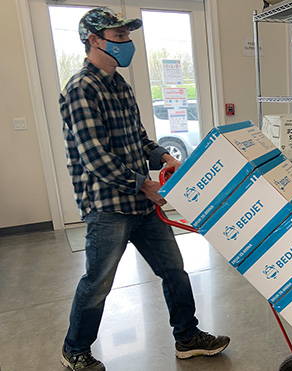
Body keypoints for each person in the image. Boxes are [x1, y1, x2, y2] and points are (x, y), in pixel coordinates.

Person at [58, 7, 229, 371]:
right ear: (93, 40)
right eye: (119, 38)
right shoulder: (81, 88)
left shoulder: (120, 85)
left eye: (127, 36)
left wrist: (163, 155)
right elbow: (94, 156)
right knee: (98, 282)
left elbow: (136, 138)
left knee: (175, 270)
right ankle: (75, 349)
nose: (127, 44)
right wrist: (143, 184)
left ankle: (187, 337)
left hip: (140, 203)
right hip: (108, 206)